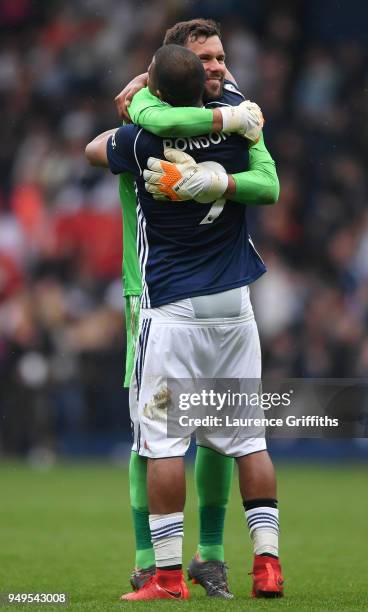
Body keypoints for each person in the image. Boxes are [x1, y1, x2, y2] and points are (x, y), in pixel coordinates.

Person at [86, 42, 283, 601]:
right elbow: (269, 185)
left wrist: (139, 99)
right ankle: (267, 566)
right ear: (203, 80)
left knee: (161, 445)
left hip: (170, 308)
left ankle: (166, 575)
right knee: (248, 441)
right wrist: (222, 166)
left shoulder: (141, 139)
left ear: (155, 87)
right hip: (235, 308)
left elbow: (93, 149)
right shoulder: (243, 128)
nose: (220, 67)